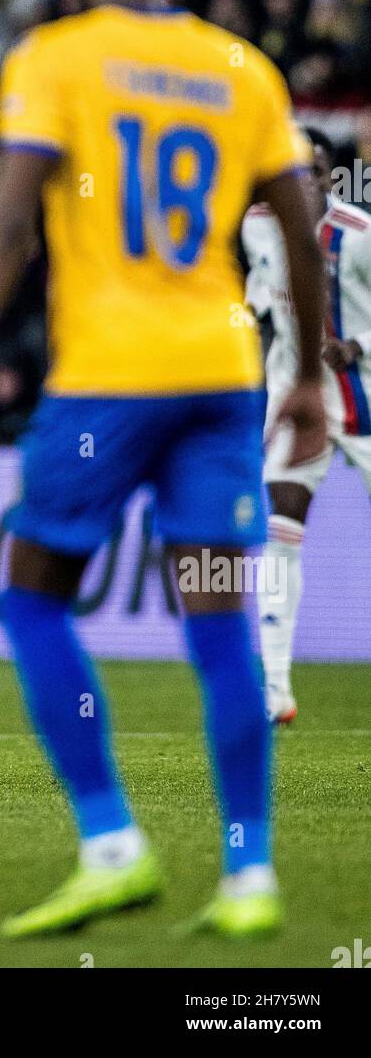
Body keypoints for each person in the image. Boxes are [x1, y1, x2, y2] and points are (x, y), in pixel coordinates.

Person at [0, 0, 327, 939]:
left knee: (28, 594)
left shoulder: (55, 56)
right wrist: (305, 370)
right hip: (219, 377)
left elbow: (11, 213)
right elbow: (300, 222)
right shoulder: (241, 69)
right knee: (215, 624)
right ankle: (248, 876)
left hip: (108, 380)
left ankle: (110, 844)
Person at [243, 128, 371, 723]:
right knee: (279, 525)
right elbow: (256, 307)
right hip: (297, 405)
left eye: (312, 173)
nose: (302, 185)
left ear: (330, 177)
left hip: (362, 401)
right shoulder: (256, 227)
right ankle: (274, 687)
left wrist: (359, 344)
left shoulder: (360, 236)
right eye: (289, 174)